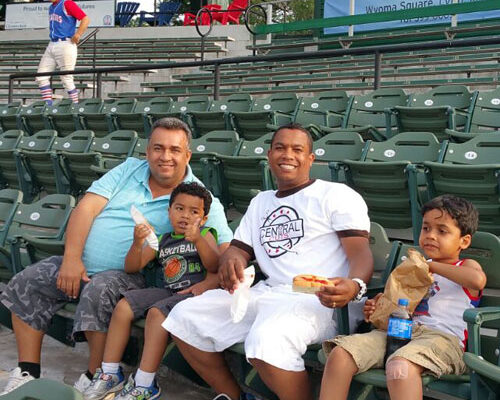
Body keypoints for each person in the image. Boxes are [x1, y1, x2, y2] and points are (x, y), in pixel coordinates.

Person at [0, 118, 232, 395]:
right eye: (158, 148)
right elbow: (86, 209)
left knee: (100, 289)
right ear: (147, 151)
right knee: (27, 280)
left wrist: (210, 282)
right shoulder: (129, 170)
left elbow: (227, 250)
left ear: (187, 155)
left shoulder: (197, 198)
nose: (165, 156)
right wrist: (72, 259)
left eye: (174, 150)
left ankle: (96, 375)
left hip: (134, 276)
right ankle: (28, 371)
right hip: (82, 265)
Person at [163, 123, 374, 400]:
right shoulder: (261, 201)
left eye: (297, 149)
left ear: (311, 159)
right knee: (183, 317)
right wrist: (231, 261)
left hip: (317, 296)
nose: (288, 154)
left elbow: (360, 252)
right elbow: (238, 249)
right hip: (268, 291)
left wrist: (355, 284)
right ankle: (234, 396)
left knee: (265, 341)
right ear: (269, 155)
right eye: (280, 148)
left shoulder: (335, 194)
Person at [319, 195, 487, 400]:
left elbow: (477, 281)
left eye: (442, 231)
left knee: (400, 367)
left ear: (464, 241)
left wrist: (430, 265)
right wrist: (378, 307)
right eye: (426, 228)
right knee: (340, 355)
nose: (431, 235)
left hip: (442, 340)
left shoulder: (465, 266)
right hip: (398, 334)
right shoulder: (411, 268)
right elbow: (396, 302)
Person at [82, 181, 220, 400]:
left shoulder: (206, 233)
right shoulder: (163, 240)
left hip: (192, 295)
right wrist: (138, 244)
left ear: (203, 219)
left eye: (194, 212)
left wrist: (199, 240)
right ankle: (109, 373)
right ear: (169, 211)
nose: (185, 215)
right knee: (124, 306)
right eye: (179, 208)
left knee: (156, 313)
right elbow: (132, 267)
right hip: (168, 291)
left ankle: (145, 384)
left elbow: (214, 264)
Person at [37, 0, 90, 105]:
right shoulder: (51, 6)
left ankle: (75, 104)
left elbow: (85, 19)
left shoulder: (67, 3)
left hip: (66, 43)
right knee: (41, 77)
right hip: (52, 43)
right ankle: (48, 105)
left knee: (66, 77)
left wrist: (78, 34)